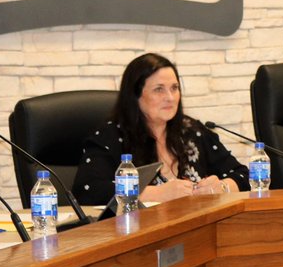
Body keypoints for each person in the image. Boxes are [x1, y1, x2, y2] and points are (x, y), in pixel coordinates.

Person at [74, 52, 249, 205]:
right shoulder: (111, 136)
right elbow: (88, 191)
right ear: (135, 96)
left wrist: (222, 187)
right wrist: (157, 194)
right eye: (159, 90)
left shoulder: (191, 131)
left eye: (174, 88)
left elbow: (244, 175)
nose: (170, 98)